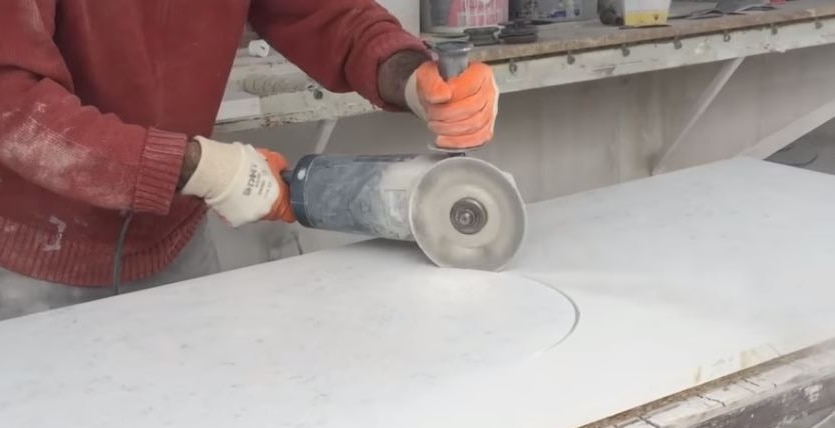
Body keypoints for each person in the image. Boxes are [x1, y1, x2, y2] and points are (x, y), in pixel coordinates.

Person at [0, 1, 499, 321]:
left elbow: (331, 16)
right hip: (36, 259)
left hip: (173, 238)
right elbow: (13, 106)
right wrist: (205, 169)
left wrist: (410, 77)